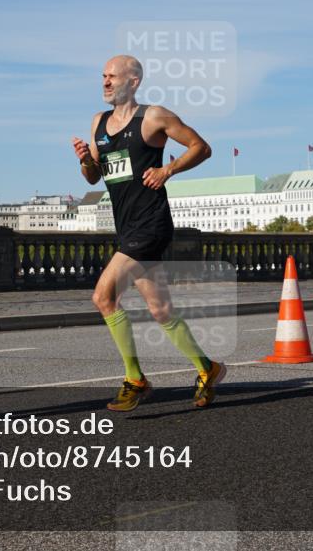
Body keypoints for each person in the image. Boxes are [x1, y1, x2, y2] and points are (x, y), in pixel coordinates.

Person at [71, 55, 226, 411]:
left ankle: (135, 379)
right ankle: (208, 368)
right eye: (103, 76)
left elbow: (202, 147)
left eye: (112, 77)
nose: (106, 82)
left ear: (134, 81)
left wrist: (167, 170)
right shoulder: (99, 122)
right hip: (126, 227)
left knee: (103, 296)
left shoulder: (153, 117)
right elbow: (94, 176)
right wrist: (83, 158)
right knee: (160, 309)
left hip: (151, 224)